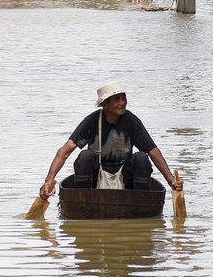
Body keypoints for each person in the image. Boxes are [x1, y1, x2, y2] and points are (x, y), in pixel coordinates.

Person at [38, 81, 183, 200]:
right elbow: (64, 151)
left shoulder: (131, 121)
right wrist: (49, 181)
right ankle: (83, 200)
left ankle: (140, 201)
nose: (122, 103)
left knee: (141, 158)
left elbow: (153, 151)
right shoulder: (92, 121)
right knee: (85, 156)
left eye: (124, 98)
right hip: (97, 176)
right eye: (117, 99)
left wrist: (171, 180)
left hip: (124, 176)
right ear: (104, 104)